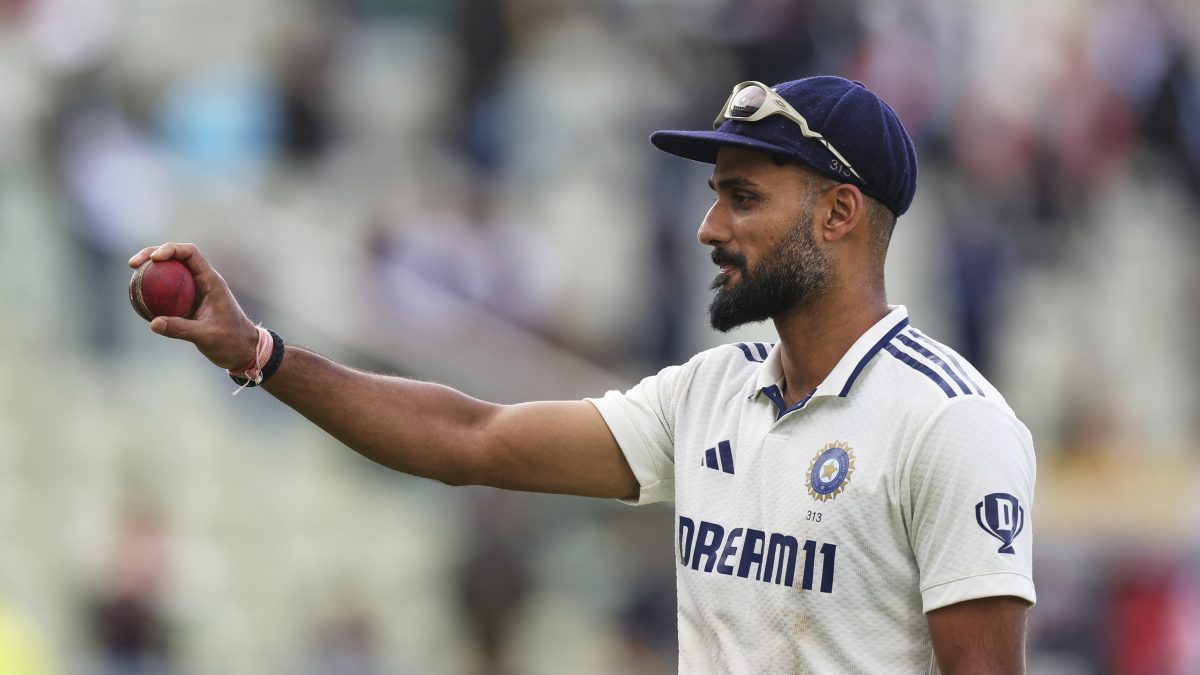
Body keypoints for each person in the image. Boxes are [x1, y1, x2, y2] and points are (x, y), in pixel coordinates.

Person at [129, 76, 1036, 674]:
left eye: (744, 196)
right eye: (715, 194)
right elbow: (468, 439)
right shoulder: (706, 394)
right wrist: (260, 354)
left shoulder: (951, 424)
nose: (708, 227)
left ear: (840, 214)